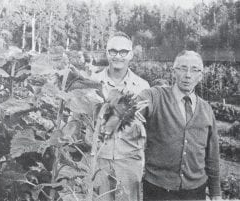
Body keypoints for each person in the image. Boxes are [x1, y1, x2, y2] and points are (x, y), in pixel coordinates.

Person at [137, 50, 221, 200]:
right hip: (158, 190)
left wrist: (215, 192)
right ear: (173, 72)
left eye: (195, 70)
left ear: (200, 76)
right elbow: (141, 103)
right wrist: (132, 110)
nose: (188, 75)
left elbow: (212, 154)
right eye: (182, 68)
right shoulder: (156, 96)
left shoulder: (206, 109)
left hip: (195, 192)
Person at [91, 31, 150, 201]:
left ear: (131, 54)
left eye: (123, 52)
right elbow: (79, 119)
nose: (118, 56)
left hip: (129, 160)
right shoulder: (92, 82)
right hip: (99, 159)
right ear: (106, 53)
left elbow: (149, 124)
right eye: (113, 51)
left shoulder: (142, 87)